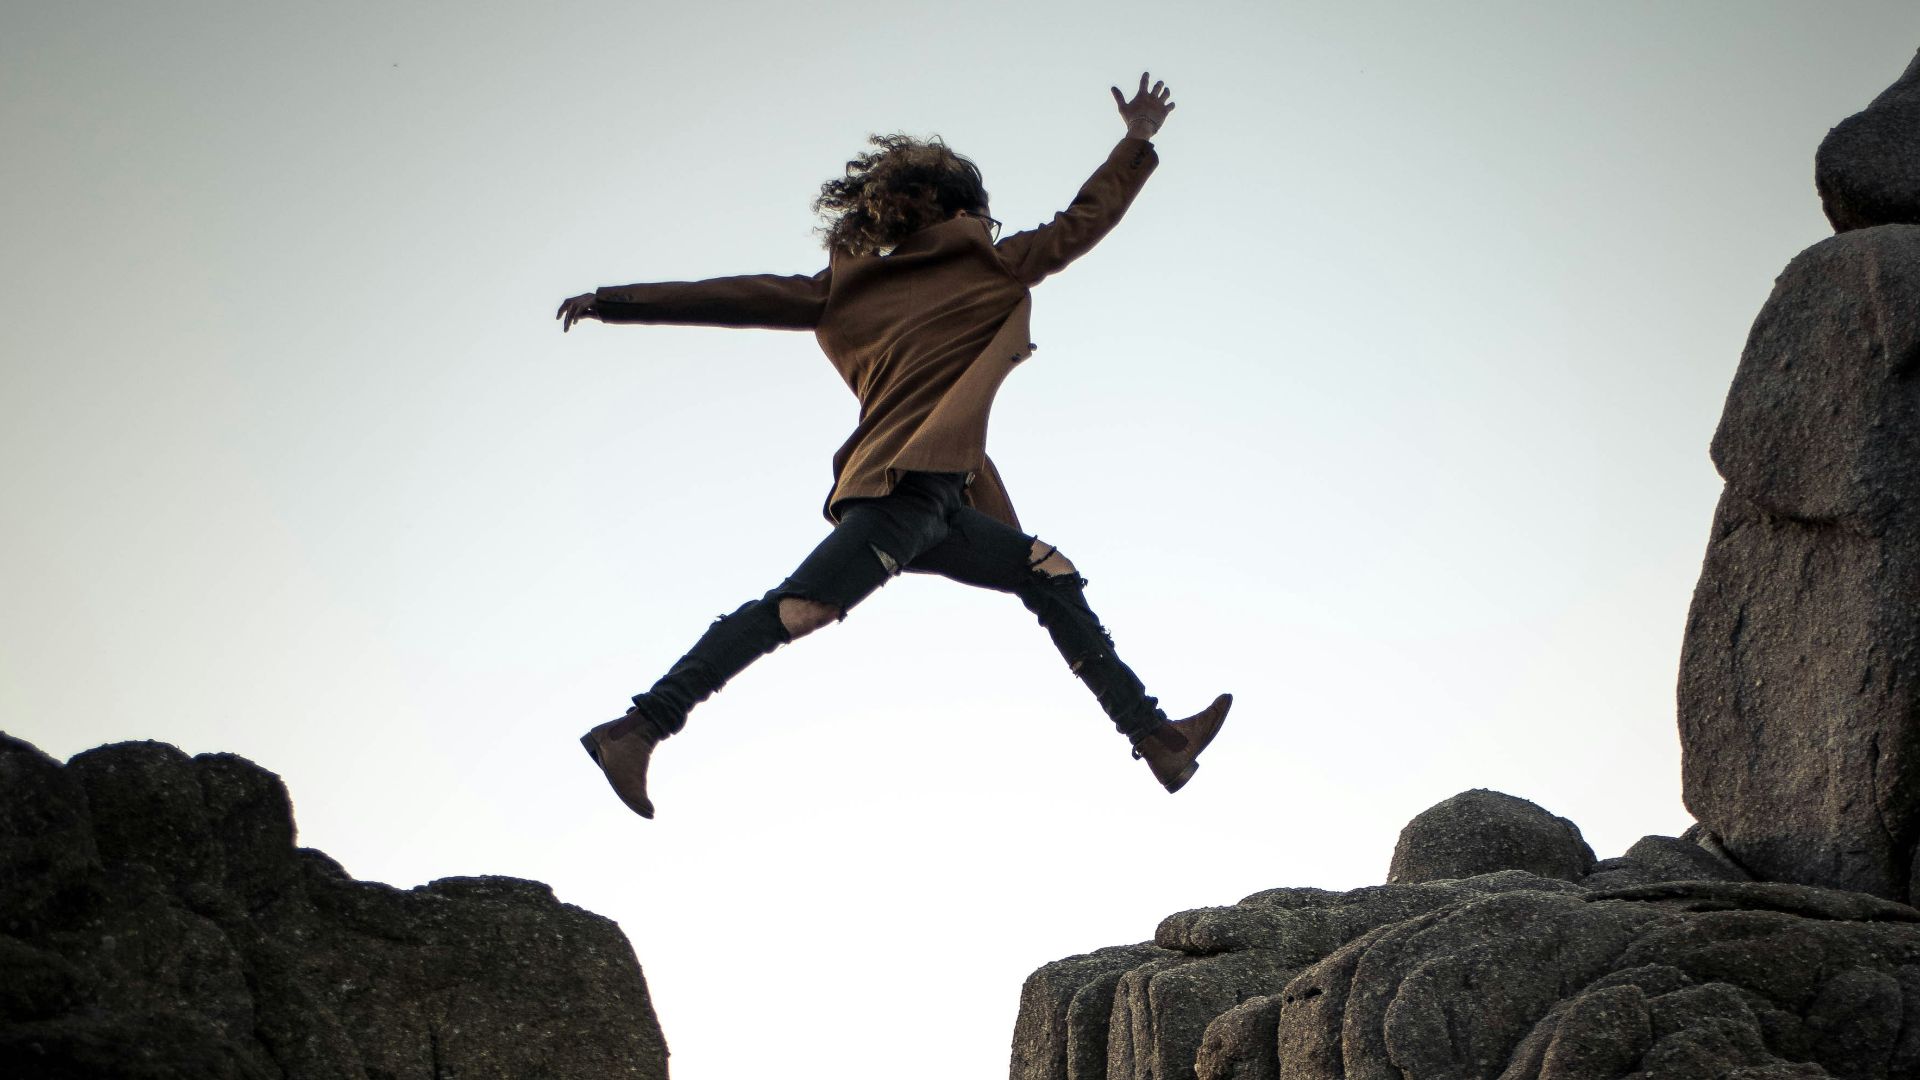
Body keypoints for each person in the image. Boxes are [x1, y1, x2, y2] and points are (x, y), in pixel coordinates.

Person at [558, 73, 1228, 819]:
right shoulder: (988, 264)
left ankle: (1157, 738)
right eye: (983, 210)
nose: (992, 221)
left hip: (942, 499)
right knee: (801, 608)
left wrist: (617, 301)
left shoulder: (845, 287)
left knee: (1047, 572)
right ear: (961, 210)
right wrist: (1135, 142)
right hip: (899, 493)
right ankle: (640, 727)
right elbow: (1083, 221)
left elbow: (731, 294)